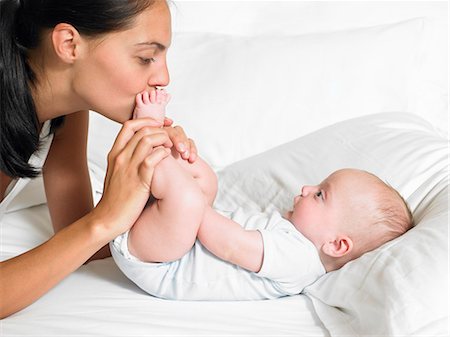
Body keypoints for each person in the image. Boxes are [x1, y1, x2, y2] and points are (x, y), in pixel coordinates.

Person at [110, 90, 414, 301]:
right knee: (207, 180)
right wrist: (196, 185)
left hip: (159, 265)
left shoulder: (298, 259)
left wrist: (192, 196)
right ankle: (160, 151)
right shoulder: (295, 240)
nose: (307, 189)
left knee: (190, 198)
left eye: (321, 195)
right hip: (170, 244)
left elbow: (228, 244)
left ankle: (147, 133)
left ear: (336, 244)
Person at [0, 0, 197, 318]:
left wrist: (159, 178)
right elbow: (93, 229)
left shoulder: (68, 107)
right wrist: (102, 220)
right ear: (68, 44)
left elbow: (85, 241)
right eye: (146, 57)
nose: (163, 77)